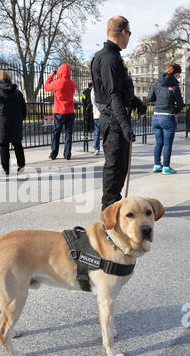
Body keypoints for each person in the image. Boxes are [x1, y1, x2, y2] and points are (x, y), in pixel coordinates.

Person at [91, 16, 145, 211]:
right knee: (114, 168)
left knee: (120, 167)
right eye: (129, 33)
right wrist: (124, 125)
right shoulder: (108, 58)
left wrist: (138, 103)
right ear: (123, 33)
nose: (129, 37)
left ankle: (114, 206)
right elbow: (113, 95)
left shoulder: (113, 56)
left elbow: (120, 91)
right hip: (113, 121)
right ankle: (109, 211)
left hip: (116, 119)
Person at [0, 70, 26, 175]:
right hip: (16, 123)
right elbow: (24, 108)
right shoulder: (17, 92)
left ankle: (6, 170)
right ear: (8, 79)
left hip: (2, 123)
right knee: (18, 145)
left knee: (4, 147)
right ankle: (21, 167)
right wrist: (21, 119)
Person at [148, 63, 185, 175]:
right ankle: (166, 167)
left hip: (156, 116)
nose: (179, 77)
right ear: (176, 73)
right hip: (168, 116)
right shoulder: (174, 85)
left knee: (159, 143)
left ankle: (157, 165)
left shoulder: (157, 83)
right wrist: (176, 111)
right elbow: (180, 103)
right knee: (168, 144)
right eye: (179, 74)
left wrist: (159, 102)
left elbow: (150, 98)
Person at [44, 64, 76, 160]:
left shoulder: (58, 83)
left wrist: (51, 76)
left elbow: (46, 87)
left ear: (60, 72)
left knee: (56, 133)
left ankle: (54, 154)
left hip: (59, 112)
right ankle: (67, 154)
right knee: (68, 134)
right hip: (70, 111)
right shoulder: (73, 84)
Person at [91, 86, 101, 155]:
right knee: (97, 132)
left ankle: (97, 148)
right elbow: (93, 101)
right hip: (98, 113)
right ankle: (96, 148)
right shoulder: (94, 89)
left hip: (102, 113)